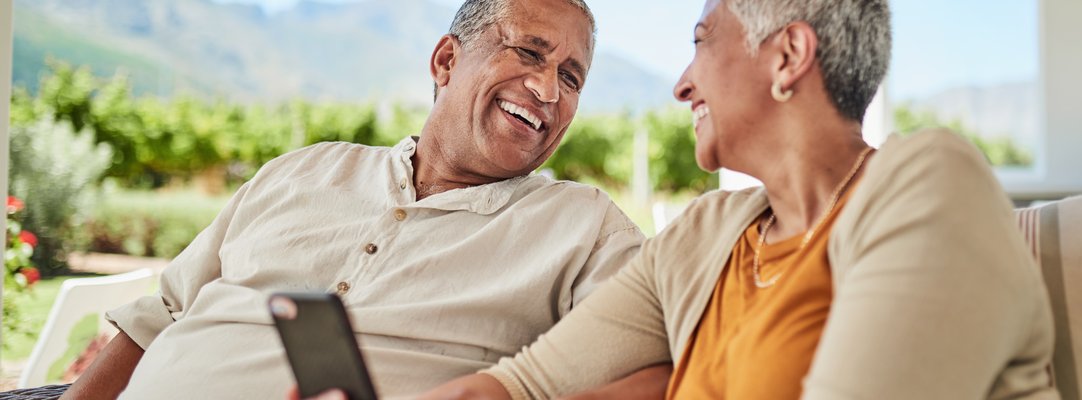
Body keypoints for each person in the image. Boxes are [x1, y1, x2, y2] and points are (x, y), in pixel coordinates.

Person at [419, 0, 1059, 399]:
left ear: (788, 57)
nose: (681, 83)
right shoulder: (707, 234)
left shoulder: (928, 183)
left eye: (701, 41)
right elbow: (523, 387)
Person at [61, 0, 646, 399]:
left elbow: (662, 370)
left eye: (572, 77)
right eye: (529, 53)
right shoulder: (301, 171)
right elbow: (155, 321)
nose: (548, 90)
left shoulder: (585, 227)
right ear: (446, 61)